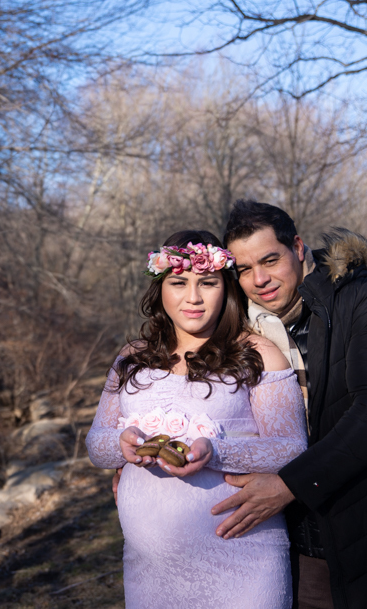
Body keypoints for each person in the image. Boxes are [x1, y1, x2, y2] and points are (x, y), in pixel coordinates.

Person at [211, 200, 367, 609]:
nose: (259, 279)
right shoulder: (240, 329)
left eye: (270, 260)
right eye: (243, 269)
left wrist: (288, 485)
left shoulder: (363, 296)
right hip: (298, 538)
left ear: (298, 246)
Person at [86, 229, 308, 608]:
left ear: (225, 288)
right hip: (151, 572)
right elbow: (96, 446)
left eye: (207, 283)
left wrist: (215, 452)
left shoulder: (258, 355)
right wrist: (122, 446)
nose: (193, 297)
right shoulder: (131, 359)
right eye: (178, 283)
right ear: (160, 290)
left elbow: (292, 449)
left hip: (243, 560)